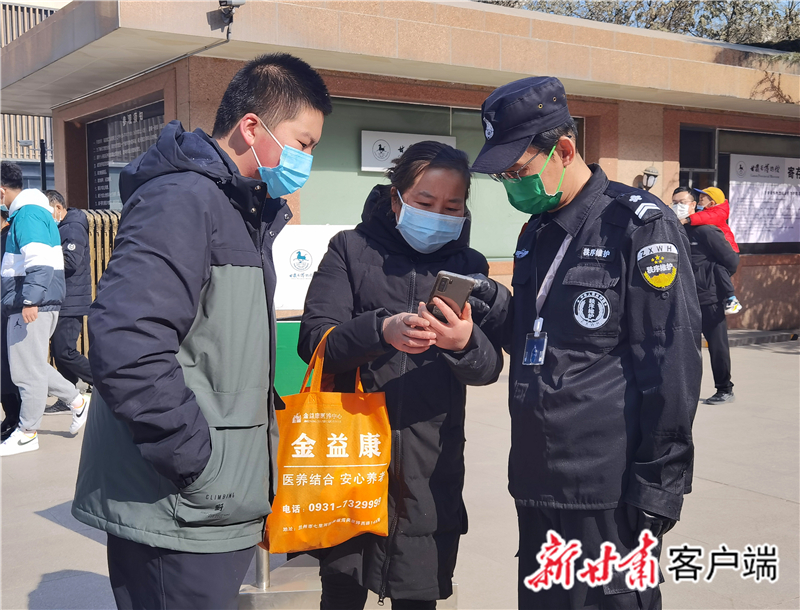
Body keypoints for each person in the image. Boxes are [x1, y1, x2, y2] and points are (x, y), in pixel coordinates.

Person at [71, 53, 332, 610]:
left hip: (205, 504)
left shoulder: (238, 207)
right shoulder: (183, 199)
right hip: (179, 507)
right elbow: (127, 342)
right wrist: (198, 463)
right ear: (252, 127)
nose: (307, 160)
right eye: (303, 144)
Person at [470, 77, 702, 610]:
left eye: (517, 171)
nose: (511, 185)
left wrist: (660, 485)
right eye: (503, 176)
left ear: (563, 150)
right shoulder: (536, 231)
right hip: (538, 478)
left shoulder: (638, 226)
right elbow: (539, 338)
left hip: (607, 489)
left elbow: (671, 363)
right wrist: (491, 304)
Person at [298, 141, 509, 609]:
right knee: (341, 589)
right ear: (396, 199)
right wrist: (381, 330)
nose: (438, 215)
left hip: (430, 464)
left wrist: (464, 344)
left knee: (419, 593)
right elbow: (314, 341)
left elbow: (489, 368)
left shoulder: (469, 268)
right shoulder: (350, 250)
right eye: (424, 202)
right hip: (351, 453)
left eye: (451, 207)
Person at [0, 161, 89, 457]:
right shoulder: (33, 212)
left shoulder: (27, 214)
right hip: (35, 301)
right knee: (32, 366)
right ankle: (76, 401)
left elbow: (37, 260)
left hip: (30, 303)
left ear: (1, 191)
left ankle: (27, 433)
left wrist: (30, 300)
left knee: (26, 373)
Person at [672, 187, 738, 405]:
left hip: (710, 298)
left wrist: (711, 278)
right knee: (685, 347)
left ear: (693, 205)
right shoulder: (676, 230)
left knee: (717, 346)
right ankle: (685, 391)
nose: (677, 206)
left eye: (681, 202)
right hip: (684, 298)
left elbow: (732, 261)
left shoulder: (707, 231)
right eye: (674, 202)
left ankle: (725, 389)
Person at [44, 189, 93, 415]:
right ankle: (68, 396)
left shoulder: (73, 226)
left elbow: (71, 261)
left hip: (71, 299)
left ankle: (102, 380)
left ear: (58, 207)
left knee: (65, 351)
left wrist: (43, 259)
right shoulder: (62, 226)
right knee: (59, 351)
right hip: (63, 298)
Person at [680, 186, 742, 315]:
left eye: (702, 199)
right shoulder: (708, 212)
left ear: (712, 203)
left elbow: (705, 217)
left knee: (720, 270)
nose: (699, 201)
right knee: (718, 270)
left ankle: (731, 298)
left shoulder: (718, 212)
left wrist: (688, 219)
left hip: (730, 249)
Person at [1, 197, 22, 442]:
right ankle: (10, 416)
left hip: (9, 310)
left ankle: (17, 419)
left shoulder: (10, 237)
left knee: (10, 367)